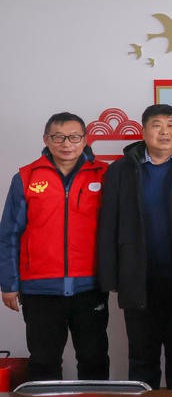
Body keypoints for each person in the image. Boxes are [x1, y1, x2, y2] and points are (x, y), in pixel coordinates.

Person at [97, 104, 172, 389]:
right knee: (141, 357)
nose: (165, 132)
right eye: (157, 125)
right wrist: (110, 277)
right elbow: (108, 223)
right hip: (137, 278)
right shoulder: (121, 170)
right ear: (143, 131)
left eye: (171, 125)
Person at [0, 112, 110, 381]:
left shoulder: (104, 174)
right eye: (58, 137)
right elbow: (9, 234)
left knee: (94, 359)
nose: (66, 144)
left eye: (74, 137)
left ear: (85, 139)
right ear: (46, 140)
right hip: (39, 289)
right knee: (44, 362)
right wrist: (9, 283)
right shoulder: (26, 177)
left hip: (90, 286)